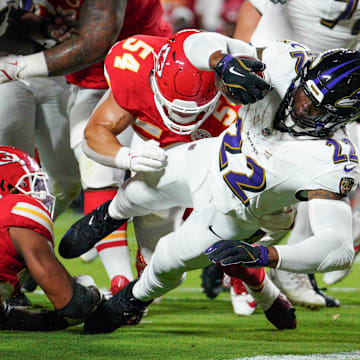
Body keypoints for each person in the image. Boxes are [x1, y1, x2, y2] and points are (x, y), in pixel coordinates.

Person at [57, 30, 360, 334]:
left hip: (236, 212)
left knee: (167, 258)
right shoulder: (287, 62)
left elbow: (338, 248)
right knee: (139, 188)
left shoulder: (334, 162)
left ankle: (130, 300)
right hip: (212, 156)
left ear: (343, 116)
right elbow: (194, 44)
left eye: (314, 106)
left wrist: (269, 256)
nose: (300, 105)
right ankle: (106, 216)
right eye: (304, 92)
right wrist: (221, 60)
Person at [78, 28, 272, 303]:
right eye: (174, 106)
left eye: (188, 110)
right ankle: (125, 277)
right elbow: (94, 134)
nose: (179, 115)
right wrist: (126, 156)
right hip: (153, 147)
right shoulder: (133, 67)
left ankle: (247, 274)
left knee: (224, 220)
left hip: (213, 155)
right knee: (99, 169)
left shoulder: (238, 107)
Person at [0, 0, 173, 291]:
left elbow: (94, 41)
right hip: (77, 77)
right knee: (82, 174)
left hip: (133, 70)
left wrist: (18, 65)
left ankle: (20, 253)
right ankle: (16, 264)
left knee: (76, 178)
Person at [233, 0, 360, 307]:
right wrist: (241, 66)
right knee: (256, 164)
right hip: (284, 66)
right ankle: (238, 264)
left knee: (337, 162)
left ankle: (289, 258)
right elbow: (255, 7)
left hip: (337, 82)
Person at [0, 146, 102, 331]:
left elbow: (8, 318)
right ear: (6, 187)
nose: (37, 193)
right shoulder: (15, 210)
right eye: (30, 184)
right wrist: (91, 292)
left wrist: (58, 321)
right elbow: (74, 306)